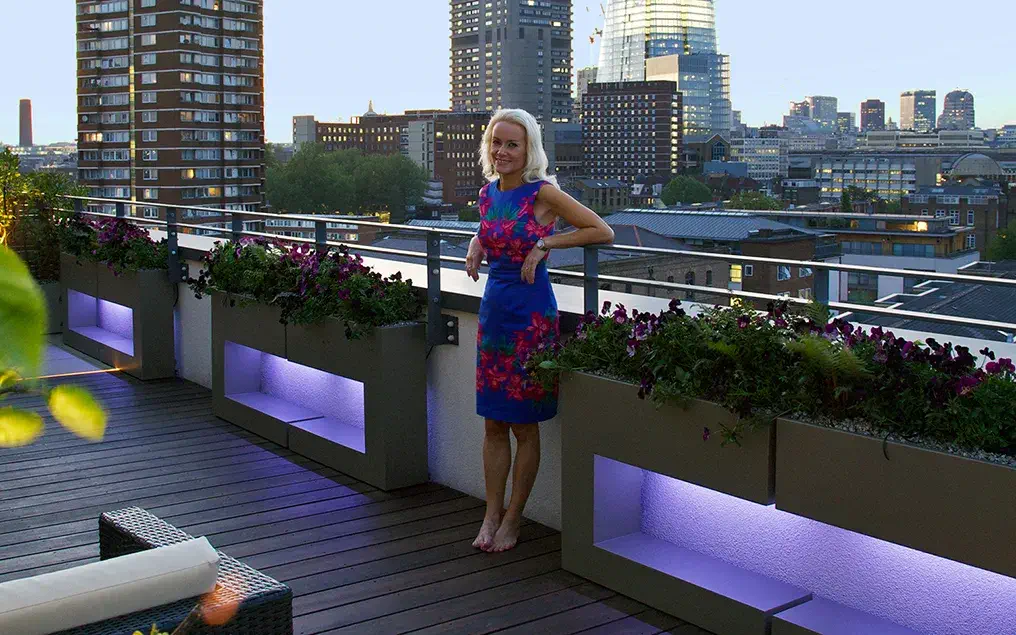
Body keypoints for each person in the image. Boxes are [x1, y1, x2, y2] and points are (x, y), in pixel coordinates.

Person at [465, 109, 614, 552]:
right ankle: (490, 514)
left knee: (524, 426)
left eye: (513, 143)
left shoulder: (543, 193)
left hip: (530, 318)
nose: (503, 151)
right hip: (494, 312)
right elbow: (492, 228)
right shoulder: (488, 193)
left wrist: (545, 243)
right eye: (497, 142)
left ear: (529, 148)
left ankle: (513, 519)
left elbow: (599, 230)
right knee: (493, 421)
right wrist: (477, 243)